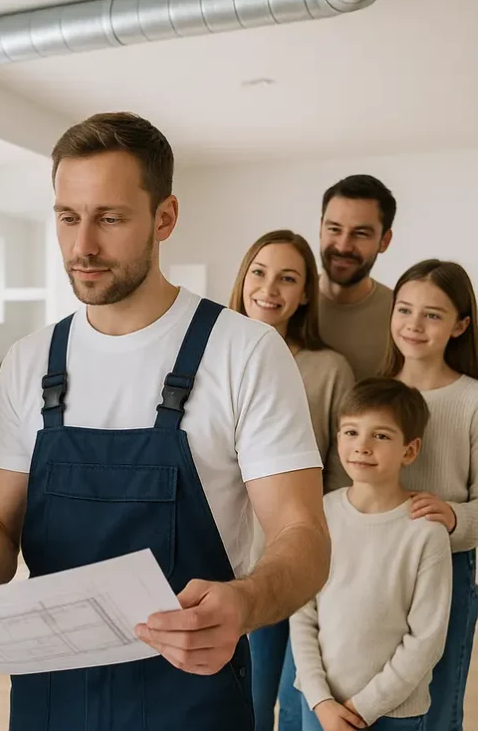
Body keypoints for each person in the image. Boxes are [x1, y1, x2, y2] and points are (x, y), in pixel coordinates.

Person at [0, 112, 331, 730]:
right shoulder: (31, 361)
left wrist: (248, 602)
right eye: (68, 217)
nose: (83, 246)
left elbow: (304, 537)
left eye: (110, 218)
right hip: (48, 699)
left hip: (191, 697)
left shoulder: (244, 351)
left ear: (165, 218)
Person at [229, 229, 355, 731]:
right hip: (224, 563)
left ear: (306, 293)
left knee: (296, 700)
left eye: (288, 278)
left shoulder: (329, 370)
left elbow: (342, 480)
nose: (269, 288)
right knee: (245, 705)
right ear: (243, 278)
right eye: (259, 272)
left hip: (299, 563)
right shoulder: (211, 354)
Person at [291, 377, 452, 731]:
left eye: (380, 435)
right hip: (321, 709)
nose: (362, 446)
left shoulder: (426, 532)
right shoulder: (322, 513)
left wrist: (364, 707)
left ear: (409, 451)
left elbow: (427, 640)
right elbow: (302, 614)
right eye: (351, 432)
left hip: (395, 714)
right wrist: (320, 700)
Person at [382, 259, 478, 731]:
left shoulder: (473, 401)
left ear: (460, 325)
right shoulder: (370, 393)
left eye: (433, 315)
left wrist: (454, 517)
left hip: (448, 570)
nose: (414, 325)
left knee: (439, 709)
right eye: (404, 309)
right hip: (372, 568)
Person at [318, 175, 396, 380]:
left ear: (384, 241)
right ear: (320, 228)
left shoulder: (401, 317)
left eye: (360, 233)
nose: (343, 246)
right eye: (334, 229)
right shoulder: (287, 303)